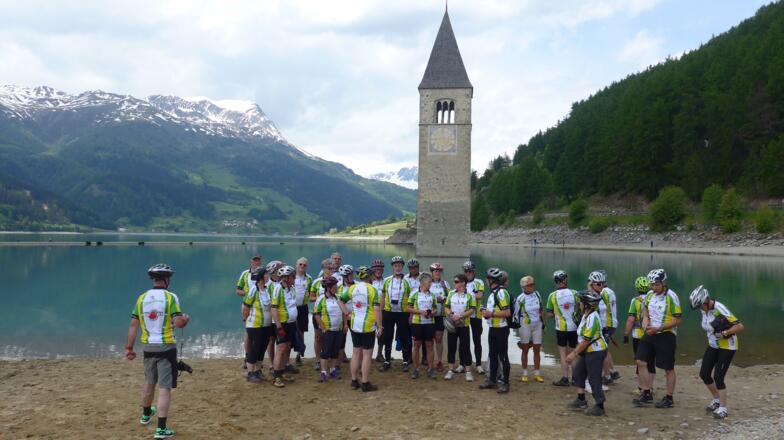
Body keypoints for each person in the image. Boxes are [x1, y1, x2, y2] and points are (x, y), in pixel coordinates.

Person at [125, 264, 189, 439]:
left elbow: (133, 325)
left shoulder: (142, 298)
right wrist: (186, 318)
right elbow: (178, 323)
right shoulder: (170, 297)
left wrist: (129, 348)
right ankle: (161, 429)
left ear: (153, 279)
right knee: (165, 388)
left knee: (149, 382)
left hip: (148, 347)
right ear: (167, 279)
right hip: (166, 347)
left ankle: (146, 415)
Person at [689, 285, 744, 419]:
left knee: (719, 377)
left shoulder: (719, 308)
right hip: (713, 345)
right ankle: (717, 400)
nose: (700, 309)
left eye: (700, 306)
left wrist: (725, 332)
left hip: (727, 346)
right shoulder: (704, 310)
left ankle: (723, 408)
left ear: (706, 301)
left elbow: (740, 326)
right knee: (704, 374)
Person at [633, 269, 681, 408]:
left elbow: (677, 320)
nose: (654, 288)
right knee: (641, 361)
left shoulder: (671, 297)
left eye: (657, 285)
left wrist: (658, 328)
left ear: (663, 283)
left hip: (666, 334)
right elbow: (645, 309)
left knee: (668, 368)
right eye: (652, 285)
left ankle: (669, 397)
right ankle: (647, 392)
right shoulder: (649, 295)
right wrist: (646, 319)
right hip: (650, 333)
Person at [565, 290, 608, 417]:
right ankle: (581, 399)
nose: (579, 304)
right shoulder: (586, 315)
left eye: (581, 302)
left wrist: (573, 353)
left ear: (587, 305)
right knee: (578, 373)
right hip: (587, 351)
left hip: (596, 351)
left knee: (594, 378)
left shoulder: (593, 318)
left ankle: (600, 405)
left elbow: (586, 341)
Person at [340, 266, 383, 392]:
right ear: (369, 276)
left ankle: (354, 381)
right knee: (367, 355)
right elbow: (376, 309)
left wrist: (347, 313)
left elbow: (340, 300)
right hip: (368, 326)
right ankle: (365, 382)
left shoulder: (352, 288)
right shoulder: (373, 290)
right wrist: (380, 326)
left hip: (354, 324)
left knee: (355, 353)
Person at [478, 268, 511, 393]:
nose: (486, 281)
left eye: (488, 279)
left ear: (492, 280)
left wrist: (490, 313)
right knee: (492, 354)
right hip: (493, 328)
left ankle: (506, 383)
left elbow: (507, 312)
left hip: (501, 329)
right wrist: (486, 313)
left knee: (503, 356)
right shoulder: (493, 293)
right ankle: (492, 380)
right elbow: (494, 312)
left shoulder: (502, 293)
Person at [546, 270, 579, 386]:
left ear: (555, 282)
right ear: (566, 280)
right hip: (574, 328)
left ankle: (565, 378)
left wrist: (558, 312)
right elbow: (580, 308)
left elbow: (549, 314)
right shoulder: (575, 293)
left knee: (563, 354)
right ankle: (575, 378)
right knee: (574, 353)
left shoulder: (552, 296)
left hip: (561, 328)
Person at [624, 276, 656, 394]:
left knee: (640, 361)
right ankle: (650, 387)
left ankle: (641, 387)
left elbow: (631, 320)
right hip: (652, 333)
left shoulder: (635, 301)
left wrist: (626, 334)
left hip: (638, 335)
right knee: (651, 362)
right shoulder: (654, 298)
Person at [380, 256, 412, 372]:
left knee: (403, 336)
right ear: (392, 267)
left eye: (399, 266)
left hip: (403, 313)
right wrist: (381, 312)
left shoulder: (407, 281)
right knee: (387, 336)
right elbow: (383, 297)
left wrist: (411, 315)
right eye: (395, 266)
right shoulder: (387, 280)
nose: (397, 268)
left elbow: (410, 299)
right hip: (388, 312)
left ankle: (405, 361)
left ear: (402, 267)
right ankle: (387, 360)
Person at [588, 270, 620, 384]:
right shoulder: (609, 291)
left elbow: (602, 309)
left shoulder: (603, 293)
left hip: (607, 324)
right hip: (612, 322)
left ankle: (607, 375)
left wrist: (604, 327)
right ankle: (612, 371)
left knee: (603, 351)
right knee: (605, 349)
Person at [242, 267, 273, 383]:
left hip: (266, 325)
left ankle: (258, 371)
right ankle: (250, 373)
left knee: (262, 348)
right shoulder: (253, 290)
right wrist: (245, 320)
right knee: (254, 349)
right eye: (266, 274)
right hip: (254, 325)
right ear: (260, 277)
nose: (267, 276)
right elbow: (246, 306)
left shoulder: (267, 289)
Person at [309, 259, 341, 371]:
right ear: (323, 269)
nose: (331, 270)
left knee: (333, 339)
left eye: (332, 268)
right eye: (329, 268)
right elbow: (310, 297)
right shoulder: (316, 282)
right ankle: (318, 360)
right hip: (319, 313)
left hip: (333, 314)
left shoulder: (337, 281)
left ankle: (332, 363)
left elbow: (340, 297)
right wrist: (322, 299)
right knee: (318, 338)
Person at [314, 276, 347, 382]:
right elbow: (316, 314)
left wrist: (345, 325)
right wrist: (322, 327)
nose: (336, 288)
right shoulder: (321, 299)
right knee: (325, 352)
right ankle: (323, 372)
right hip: (327, 330)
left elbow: (344, 313)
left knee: (335, 351)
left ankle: (332, 370)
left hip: (338, 329)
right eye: (334, 286)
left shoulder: (338, 297)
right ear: (328, 288)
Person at [270, 265, 299, 388]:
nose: (295, 278)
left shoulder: (291, 289)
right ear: (286, 278)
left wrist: (295, 322)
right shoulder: (278, 289)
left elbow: (293, 306)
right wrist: (279, 327)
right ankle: (276, 376)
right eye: (293, 276)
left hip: (291, 323)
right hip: (282, 324)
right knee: (281, 349)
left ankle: (282, 372)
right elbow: (274, 309)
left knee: (287, 347)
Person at [512, 276, 545, 383]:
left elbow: (541, 309)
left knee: (537, 349)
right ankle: (525, 373)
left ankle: (537, 373)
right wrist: (516, 326)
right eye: (530, 285)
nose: (532, 286)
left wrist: (544, 323)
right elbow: (515, 315)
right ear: (523, 287)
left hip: (537, 325)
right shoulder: (520, 298)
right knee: (525, 349)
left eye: (533, 284)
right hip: (525, 325)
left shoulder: (537, 294)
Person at [444, 273, 476, 381]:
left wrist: (461, 316)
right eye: (454, 281)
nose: (454, 283)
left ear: (463, 283)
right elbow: (446, 307)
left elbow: (472, 309)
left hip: (464, 325)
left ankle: (468, 372)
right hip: (452, 324)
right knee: (451, 347)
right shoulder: (451, 293)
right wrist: (452, 315)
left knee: (465, 348)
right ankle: (450, 370)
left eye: (456, 282)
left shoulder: (469, 295)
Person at [408, 273, 438, 379]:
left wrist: (432, 312)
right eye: (429, 282)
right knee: (416, 346)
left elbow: (435, 308)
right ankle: (416, 369)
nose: (430, 284)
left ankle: (430, 369)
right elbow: (408, 308)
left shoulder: (432, 295)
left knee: (430, 346)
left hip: (429, 323)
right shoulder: (414, 294)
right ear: (422, 282)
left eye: (431, 282)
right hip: (417, 323)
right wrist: (421, 312)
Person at [236, 254, 262, 367]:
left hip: (261, 308)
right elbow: (238, 290)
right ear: (251, 261)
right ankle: (247, 356)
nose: (257, 262)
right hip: (247, 306)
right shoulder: (245, 274)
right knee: (248, 333)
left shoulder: (263, 274)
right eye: (255, 260)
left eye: (258, 260)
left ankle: (257, 358)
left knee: (260, 333)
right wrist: (248, 294)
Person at [463, 260, 486, 375]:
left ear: (474, 271)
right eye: (466, 271)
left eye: (470, 271)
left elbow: (480, 296)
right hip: (465, 315)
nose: (468, 273)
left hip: (476, 316)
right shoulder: (462, 282)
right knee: (464, 341)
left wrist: (467, 295)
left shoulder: (479, 282)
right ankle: (463, 363)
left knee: (477, 341)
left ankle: (478, 364)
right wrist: (472, 295)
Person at [429, 262, 450, 372]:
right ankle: (430, 362)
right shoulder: (427, 283)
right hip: (429, 316)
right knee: (429, 340)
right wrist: (435, 299)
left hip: (440, 315)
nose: (437, 273)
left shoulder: (445, 283)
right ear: (431, 272)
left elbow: (449, 298)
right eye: (435, 271)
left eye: (439, 271)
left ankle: (439, 361)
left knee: (438, 339)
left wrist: (444, 300)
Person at [293, 257, 313, 366]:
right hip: (291, 307)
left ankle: (298, 354)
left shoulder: (309, 278)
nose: (302, 267)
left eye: (304, 265)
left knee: (301, 330)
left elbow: (311, 293)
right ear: (296, 264)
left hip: (303, 308)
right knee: (290, 330)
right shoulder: (291, 276)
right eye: (300, 264)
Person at [370, 259, 386, 362]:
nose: (378, 270)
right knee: (370, 333)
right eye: (376, 268)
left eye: (380, 268)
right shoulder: (369, 282)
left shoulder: (386, 281)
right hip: (371, 311)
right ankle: (368, 354)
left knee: (382, 333)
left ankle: (379, 353)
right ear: (372, 269)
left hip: (383, 311)